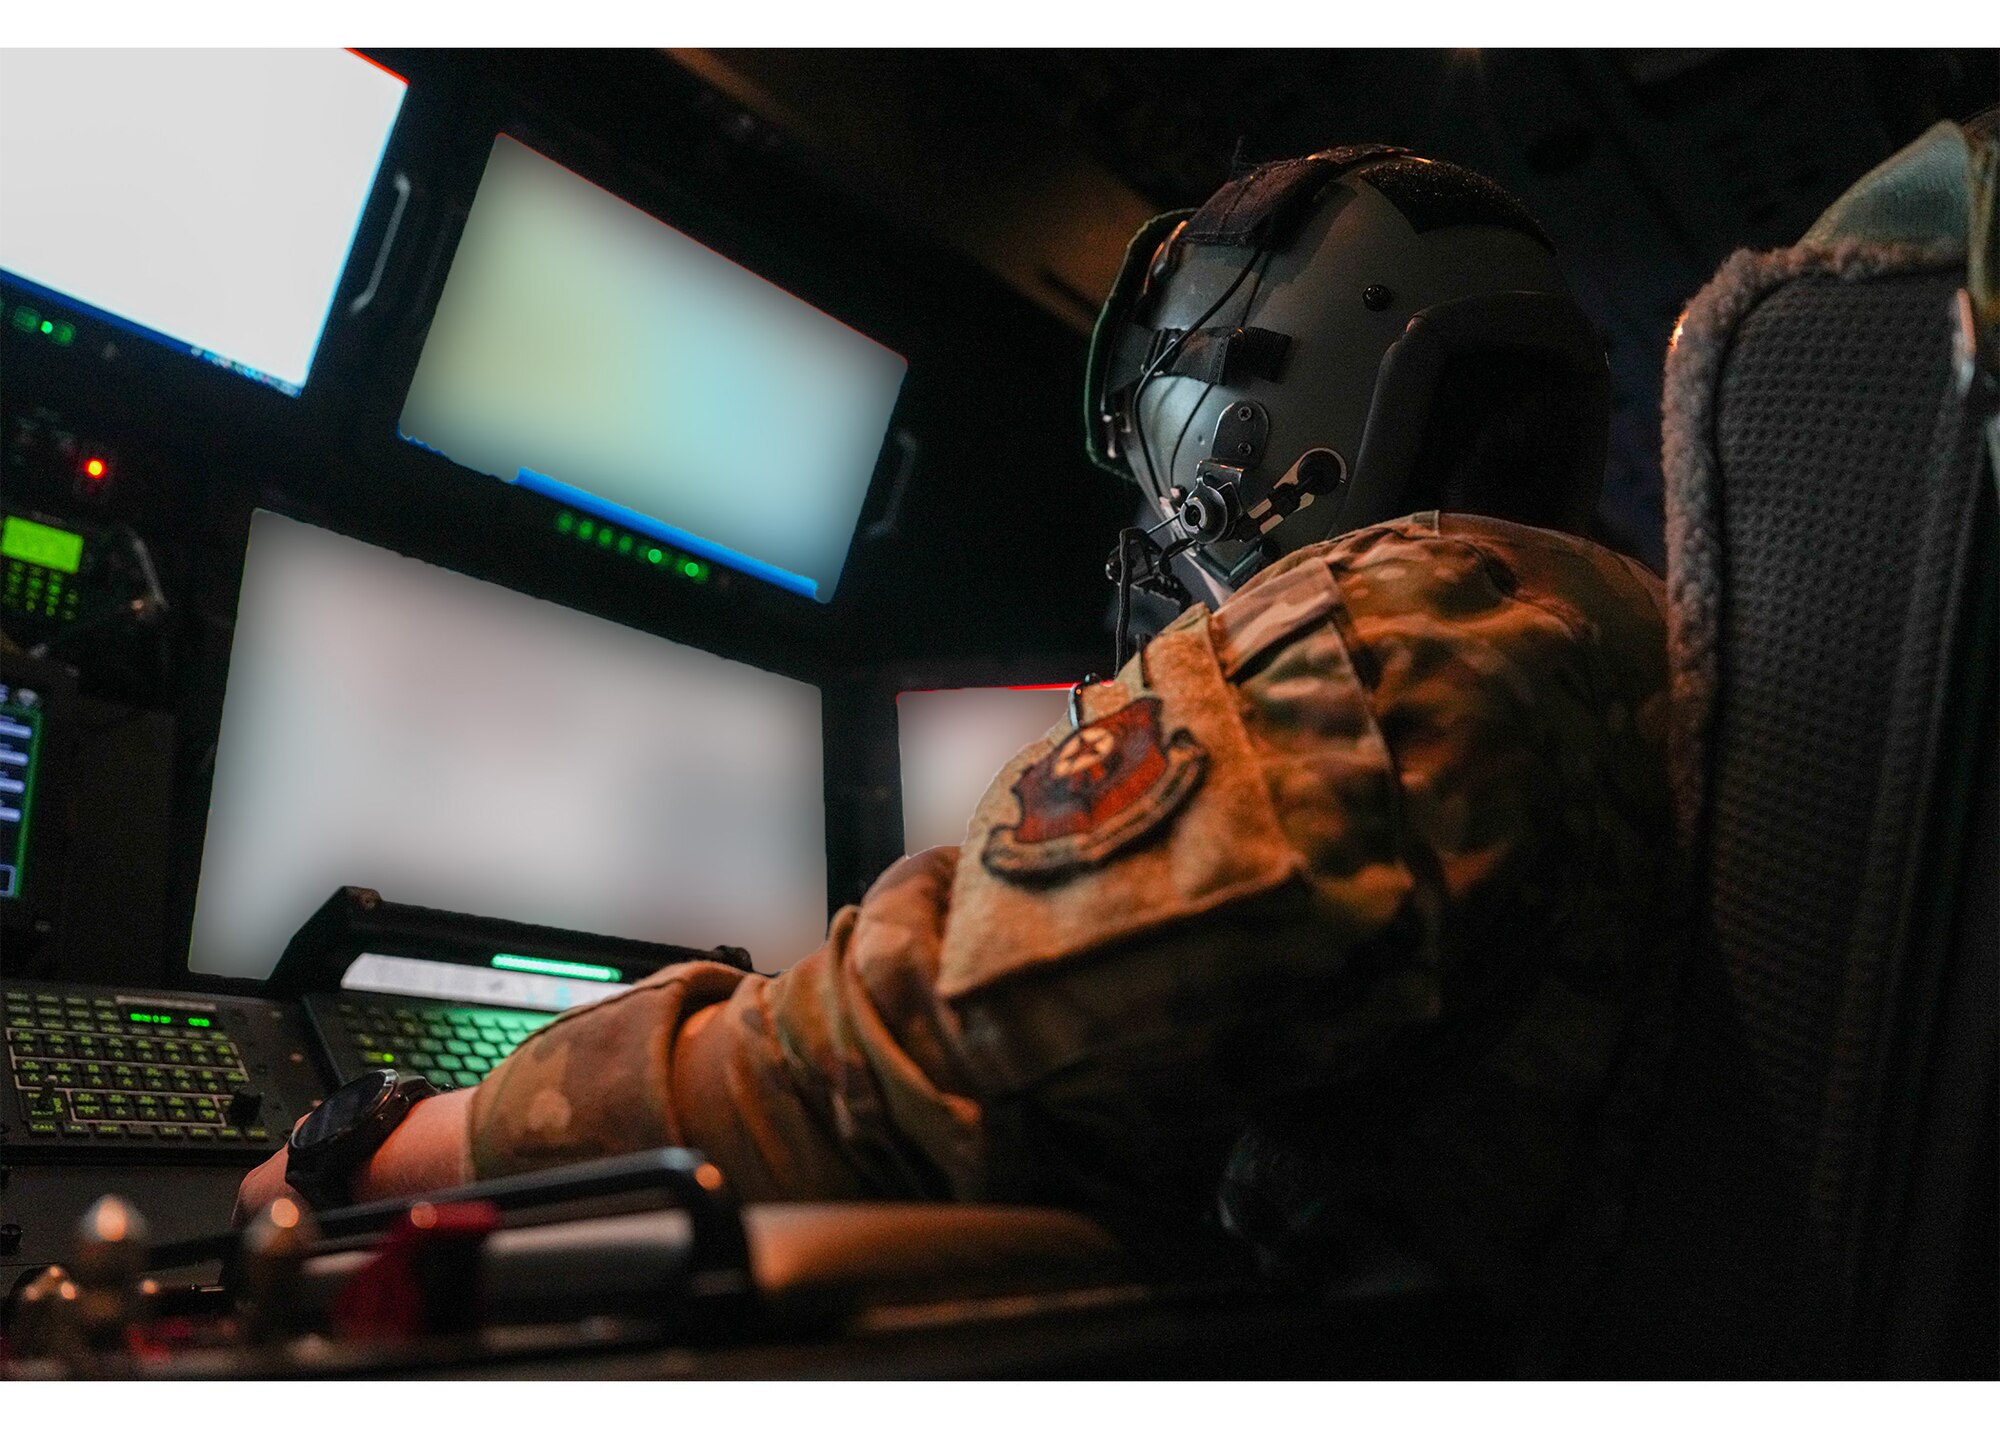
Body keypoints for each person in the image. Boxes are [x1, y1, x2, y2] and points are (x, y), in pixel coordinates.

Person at [236, 146, 1674, 1319]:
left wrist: (406, 1145)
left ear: (1257, 429)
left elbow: (903, 1055)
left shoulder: (1392, 635)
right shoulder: (1578, 623)